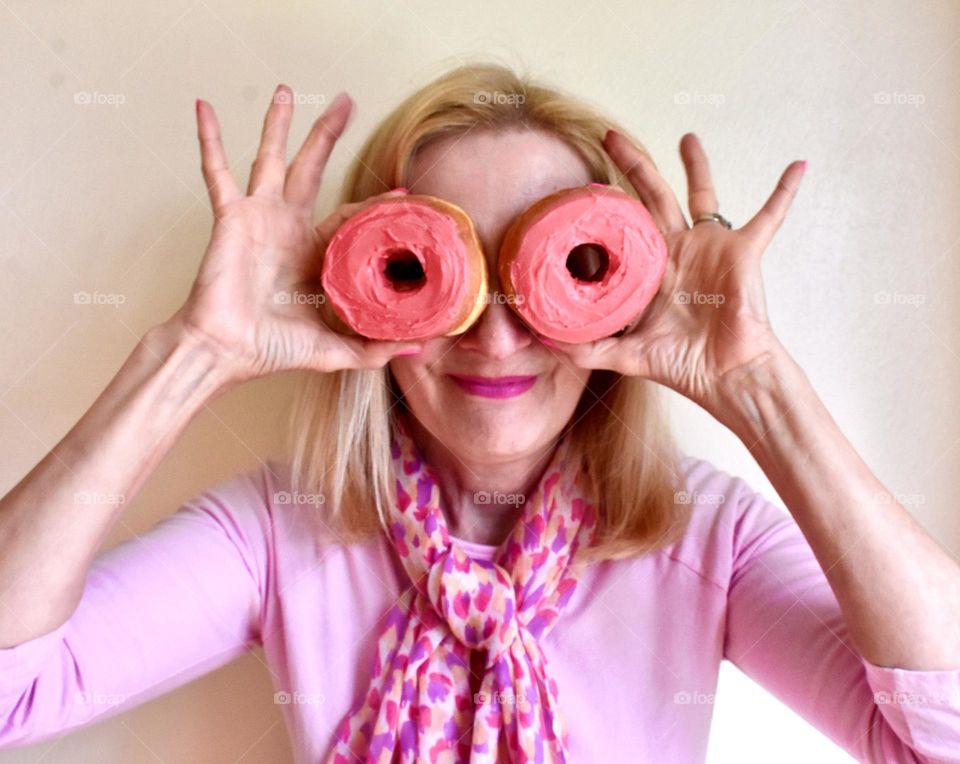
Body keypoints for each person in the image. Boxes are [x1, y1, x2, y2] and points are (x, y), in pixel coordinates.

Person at [1, 63, 959, 764]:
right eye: (426, 274)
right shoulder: (282, 530)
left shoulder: (706, 538)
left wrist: (756, 384)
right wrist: (193, 356)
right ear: (359, 288)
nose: (496, 339)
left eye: (566, 269)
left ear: (624, 292)